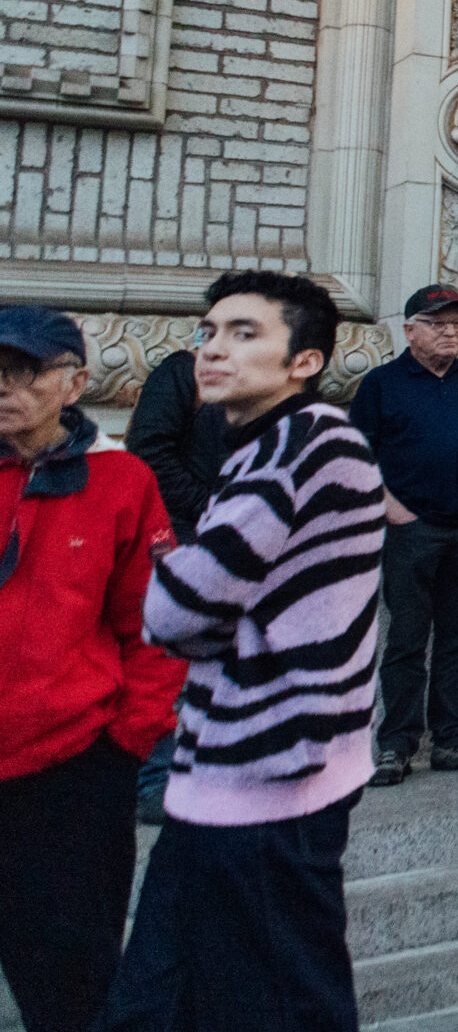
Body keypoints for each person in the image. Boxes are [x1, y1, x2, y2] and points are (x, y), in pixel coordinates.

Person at [91, 271, 387, 1032]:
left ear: (305, 360)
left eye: (245, 332)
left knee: (289, 1010)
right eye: (210, 331)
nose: (214, 348)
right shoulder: (257, 446)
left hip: (275, 776)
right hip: (220, 770)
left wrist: (180, 585)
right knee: (164, 1005)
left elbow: (178, 609)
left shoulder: (309, 441)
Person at [0, 309, 182, 1032]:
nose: (5, 387)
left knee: (72, 994)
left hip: (71, 772)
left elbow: (156, 627)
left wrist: (123, 747)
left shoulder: (122, 480)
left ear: (75, 383)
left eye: (25, 371)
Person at [354, 284, 458, 786]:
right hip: (412, 531)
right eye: (439, 324)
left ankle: (454, 740)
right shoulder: (381, 385)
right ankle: (395, 746)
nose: (451, 333)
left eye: (457, 324)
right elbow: (355, 460)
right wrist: (393, 510)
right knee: (405, 640)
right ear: (410, 331)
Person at [121, 331, 223, 827]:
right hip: (183, 539)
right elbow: (149, 451)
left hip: (240, 550)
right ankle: (156, 779)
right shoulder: (183, 373)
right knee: (171, 665)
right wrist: (212, 506)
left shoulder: (270, 389)